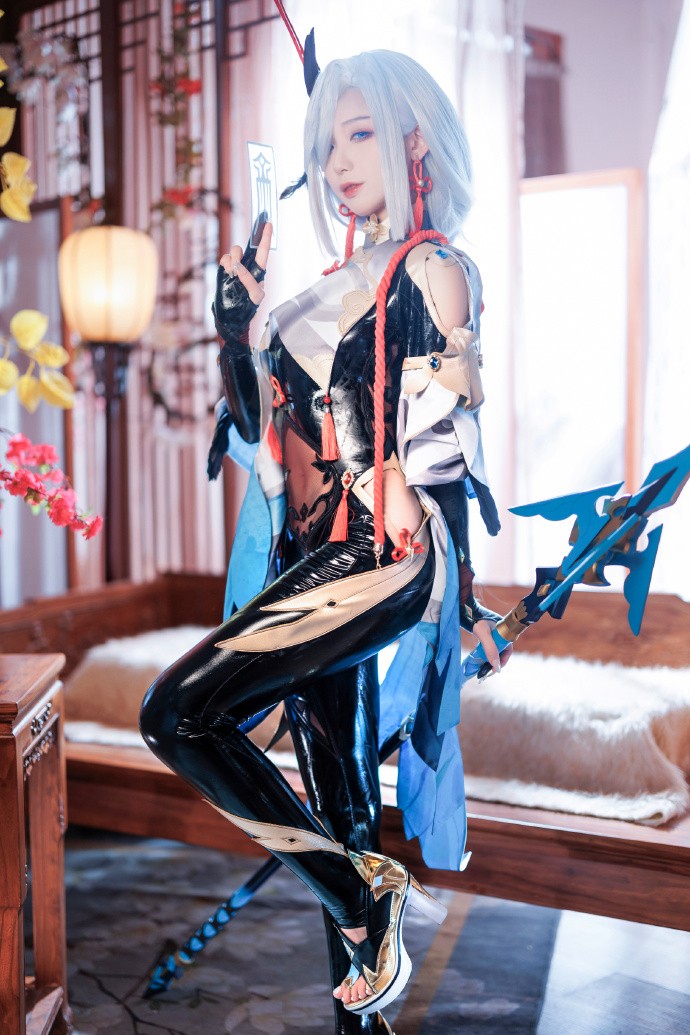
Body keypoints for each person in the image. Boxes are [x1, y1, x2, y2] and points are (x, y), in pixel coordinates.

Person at [140, 48, 507, 1035]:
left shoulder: (435, 269)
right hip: (313, 556)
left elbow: (447, 451)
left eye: (360, 135)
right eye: (328, 144)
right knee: (340, 810)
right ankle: (362, 985)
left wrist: (464, 602)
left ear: (414, 141)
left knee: (176, 714)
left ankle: (362, 897)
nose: (339, 163)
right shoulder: (322, 290)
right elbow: (259, 425)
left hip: (383, 556)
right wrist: (235, 333)